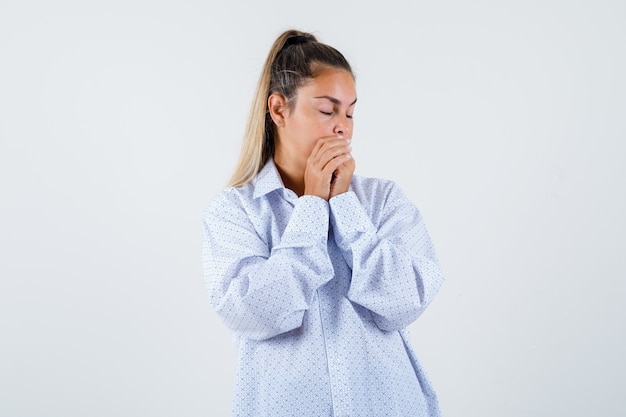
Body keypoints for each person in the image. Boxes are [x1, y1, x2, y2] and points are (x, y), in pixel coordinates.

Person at [202, 29, 444, 417]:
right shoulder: (235, 210)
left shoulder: (383, 200)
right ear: (279, 110)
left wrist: (345, 207)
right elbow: (252, 312)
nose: (342, 127)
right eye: (328, 110)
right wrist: (312, 207)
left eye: (350, 112)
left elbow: (405, 301)